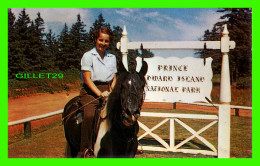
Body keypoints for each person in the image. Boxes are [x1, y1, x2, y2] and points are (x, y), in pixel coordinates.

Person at [79, 27, 117, 158]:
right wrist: (100, 94)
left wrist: (111, 91)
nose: (103, 43)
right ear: (96, 39)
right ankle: (85, 150)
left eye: (106, 41)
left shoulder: (112, 57)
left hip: (108, 90)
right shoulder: (88, 56)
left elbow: (114, 78)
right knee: (89, 115)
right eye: (101, 40)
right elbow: (87, 79)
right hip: (90, 91)